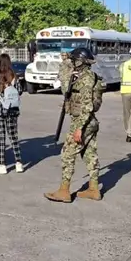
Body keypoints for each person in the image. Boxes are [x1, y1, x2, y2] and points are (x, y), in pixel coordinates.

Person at [45, 47, 104, 203]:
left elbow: (87, 106)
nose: (71, 62)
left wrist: (79, 128)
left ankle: (64, 191)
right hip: (90, 121)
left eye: (73, 60)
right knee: (89, 154)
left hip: (82, 121)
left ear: (79, 62)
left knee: (67, 154)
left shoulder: (86, 79)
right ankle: (94, 189)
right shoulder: (85, 76)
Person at [0, 53, 24, 174]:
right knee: (14, 136)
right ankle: (19, 163)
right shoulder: (14, 75)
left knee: (0, 137)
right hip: (13, 110)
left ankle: (1, 164)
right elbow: (19, 91)